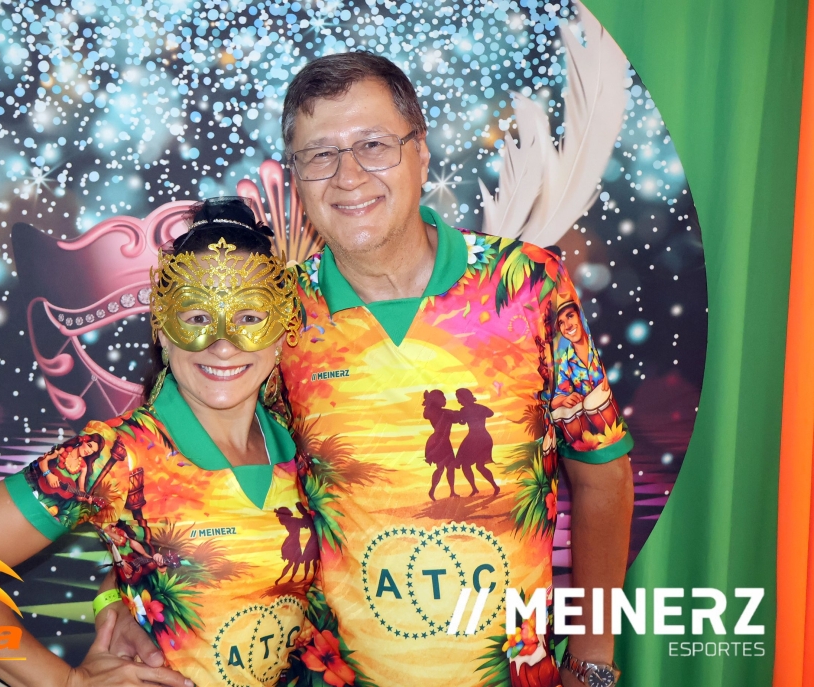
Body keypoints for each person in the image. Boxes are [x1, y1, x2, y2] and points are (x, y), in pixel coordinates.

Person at [106, 53, 634, 687]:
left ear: (422, 154)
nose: (348, 176)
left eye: (374, 145)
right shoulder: (273, 315)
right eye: (320, 155)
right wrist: (118, 600)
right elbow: (173, 471)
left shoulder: (525, 284)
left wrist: (592, 661)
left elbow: (602, 476)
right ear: (297, 179)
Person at [0, 197, 316, 687]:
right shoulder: (114, 456)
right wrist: (65, 683)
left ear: (281, 330)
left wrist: (115, 594)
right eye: (196, 317)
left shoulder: (303, 436)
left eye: (249, 317)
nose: (222, 344)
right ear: (162, 330)